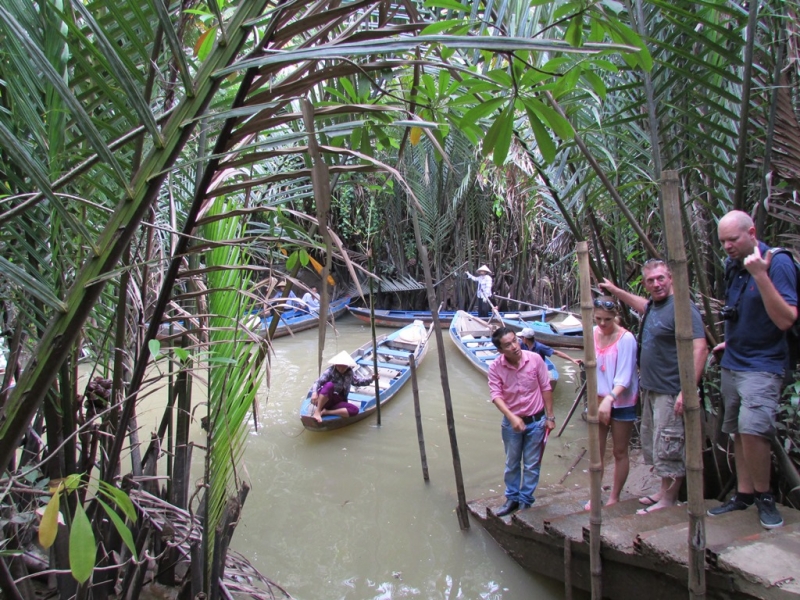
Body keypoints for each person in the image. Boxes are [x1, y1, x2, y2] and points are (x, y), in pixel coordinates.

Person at [707, 210, 797, 529]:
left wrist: (761, 274)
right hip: (735, 360)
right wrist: (729, 344)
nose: (728, 246)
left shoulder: (778, 262)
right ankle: (744, 494)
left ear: (752, 232)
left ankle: (765, 496)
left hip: (764, 364)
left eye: (733, 239)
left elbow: (786, 318)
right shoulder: (734, 265)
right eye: (723, 242)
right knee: (736, 429)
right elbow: (744, 312)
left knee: (753, 428)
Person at [599, 259, 707, 514]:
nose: (656, 284)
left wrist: (687, 390)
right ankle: (662, 489)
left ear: (670, 277)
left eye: (660, 278)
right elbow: (642, 305)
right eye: (650, 280)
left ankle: (670, 499)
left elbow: (700, 347)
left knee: (670, 443)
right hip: (652, 388)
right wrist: (616, 292)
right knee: (658, 442)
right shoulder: (656, 306)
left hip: (671, 389)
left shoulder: (682, 307)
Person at [488, 326, 555, 517]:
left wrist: (550, 416)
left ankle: (525, 501)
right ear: (500, 350)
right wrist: (512, 417)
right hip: (511, 423)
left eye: (515, 341)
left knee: (532, 464)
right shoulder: (495, 367)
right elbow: (496, 395)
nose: (514, 346)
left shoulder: (534, 359)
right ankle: (512, 498)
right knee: (512, 463)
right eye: (508, 345)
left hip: (537, 421)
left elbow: (546, 387)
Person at [584, 297, 638, 510]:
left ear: (615, 316)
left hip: (621, 401)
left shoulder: (626, 339)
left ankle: (614, 496)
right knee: (596, 450)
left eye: (607, 319)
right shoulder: (593, 333)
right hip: (598, 398)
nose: (602, 324)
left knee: (619, 451)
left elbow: (624, 376)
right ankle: (594, 494)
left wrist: (610, 399)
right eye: (598, 319)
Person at [310, 351, 377, 422]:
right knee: (329, 385)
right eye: (339, 366)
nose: (341, 368)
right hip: (326, 400)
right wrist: (314, 393)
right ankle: (318, 411)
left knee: (355, 410)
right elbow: (317, 382)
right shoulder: (330, 371)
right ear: (335, 364)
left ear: (347, 366)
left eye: (344, 366)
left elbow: (357, 382)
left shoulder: (349, 372)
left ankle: (326, 412)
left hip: (338, 401)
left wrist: (371, 379)